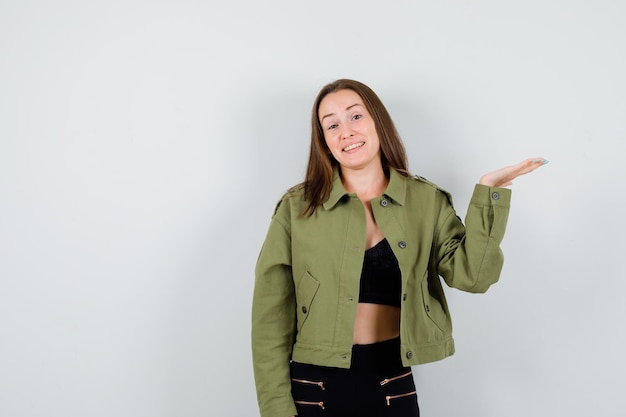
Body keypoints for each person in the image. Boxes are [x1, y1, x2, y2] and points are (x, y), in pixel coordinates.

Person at [251, 79, 547, 417]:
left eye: (355, 117)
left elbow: (473, 277)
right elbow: (269, 318)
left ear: (378, 121)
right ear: (325, 141)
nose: (345, 131)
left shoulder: (425, 200)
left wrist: (489, 195)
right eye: (331, 124)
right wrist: (275, 409)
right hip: (313, 390)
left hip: (391, 384)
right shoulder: (297, 208)